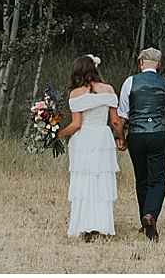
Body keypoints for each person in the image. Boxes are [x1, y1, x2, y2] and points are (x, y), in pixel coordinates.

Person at [55, 54, 126, 241]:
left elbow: (76, 124)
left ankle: (85, 225)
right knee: (101, 180)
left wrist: (57, 134)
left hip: (84, 139)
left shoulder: (76, 93)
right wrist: (121, 138)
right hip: (102, 138)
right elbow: (116, 121)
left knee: (84, 182)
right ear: (95, 69)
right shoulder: (108, 89)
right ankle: (101, 225)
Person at [117, 47, 165, 242]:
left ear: (141, 62)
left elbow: (123, 113)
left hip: (137, 135)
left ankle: (144, 219)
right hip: (158, 134)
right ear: (158, 65)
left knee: (141, 178)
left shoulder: (130, 82)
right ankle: (150, 215)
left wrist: (120, 137)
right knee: (158, 179)